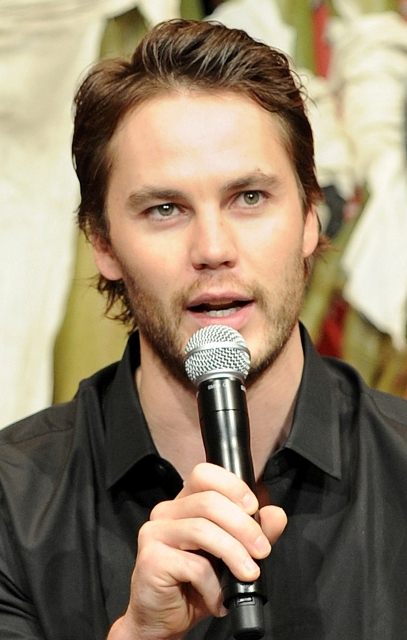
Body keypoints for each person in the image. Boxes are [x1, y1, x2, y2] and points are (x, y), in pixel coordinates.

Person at [0, 18, 407, 640]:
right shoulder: (13, 503)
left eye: (249, 198)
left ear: (310, 216)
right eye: (165, 209)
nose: (213, 249)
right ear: (103, 244)